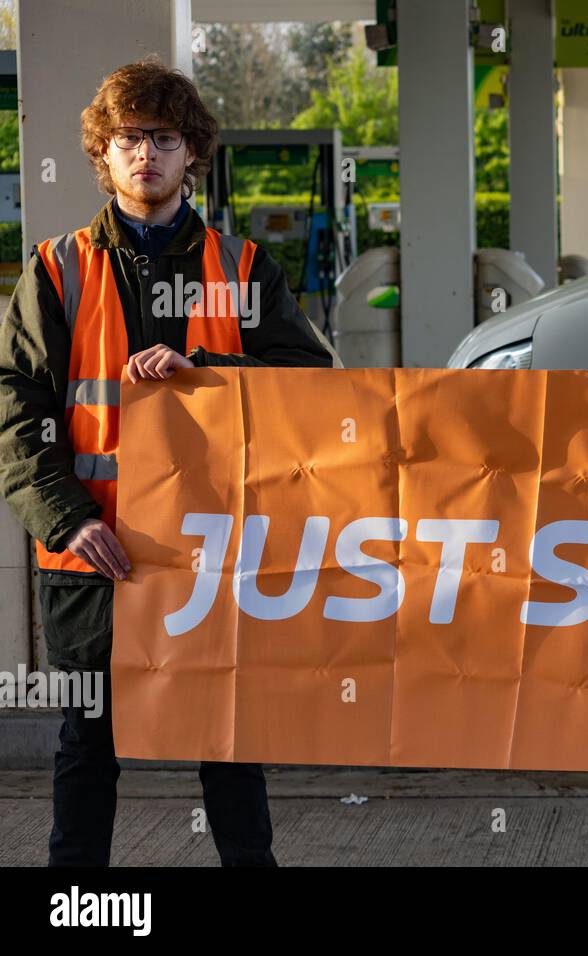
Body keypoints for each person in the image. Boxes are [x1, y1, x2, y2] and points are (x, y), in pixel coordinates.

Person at [0, 58, 339, 866]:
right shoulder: (57, 270)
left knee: (228, 750)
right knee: (87, 753)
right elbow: (15, 406)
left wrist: (210, 374)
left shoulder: (244, 268)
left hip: (213, 557)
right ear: (103, 153)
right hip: (94, 557)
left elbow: (313, 388)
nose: (144, 153)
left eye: (162, 137)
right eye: (128, 139)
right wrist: (67, 520)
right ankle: (77, 909)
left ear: (192, 153)